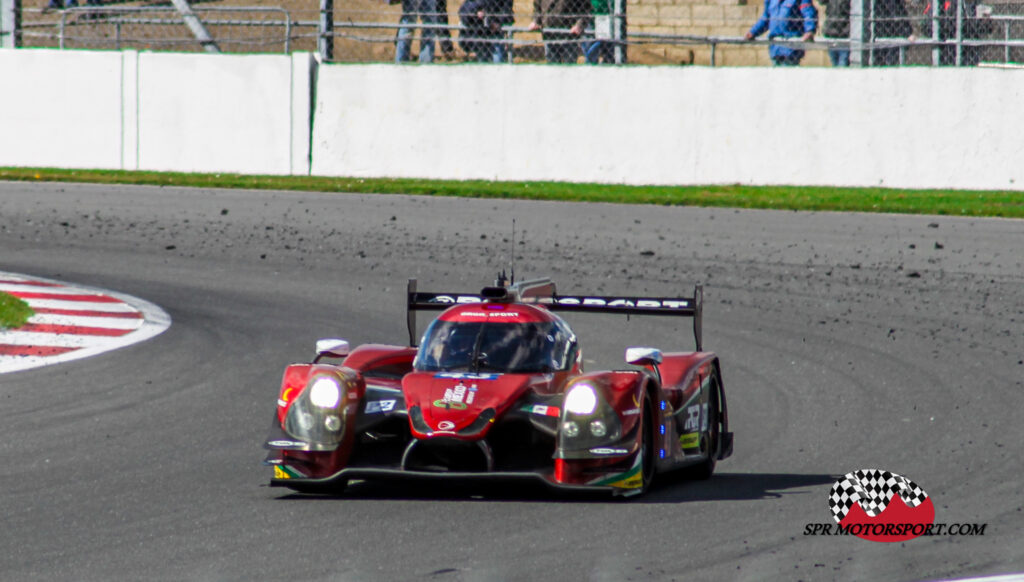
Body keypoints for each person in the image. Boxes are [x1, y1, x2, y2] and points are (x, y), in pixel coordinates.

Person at [744, 0, 818, 66]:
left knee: (788, 74)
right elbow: (766, 18)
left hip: (791, 47)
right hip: (775, 47)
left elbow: (809, 13)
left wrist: (809, 31)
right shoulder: (770, 1)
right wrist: (753, 32)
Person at [870, 0, 915, 66]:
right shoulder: (893, 3)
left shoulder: (897, 3)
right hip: (886, 34)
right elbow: (897, 17)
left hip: (886, 33)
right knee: (888, 59)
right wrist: (907, 33)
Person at [819, 0, 851, 66]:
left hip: (845, 31)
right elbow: (821, 2)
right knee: (834, 61)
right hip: (831, 30)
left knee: (843, 61)